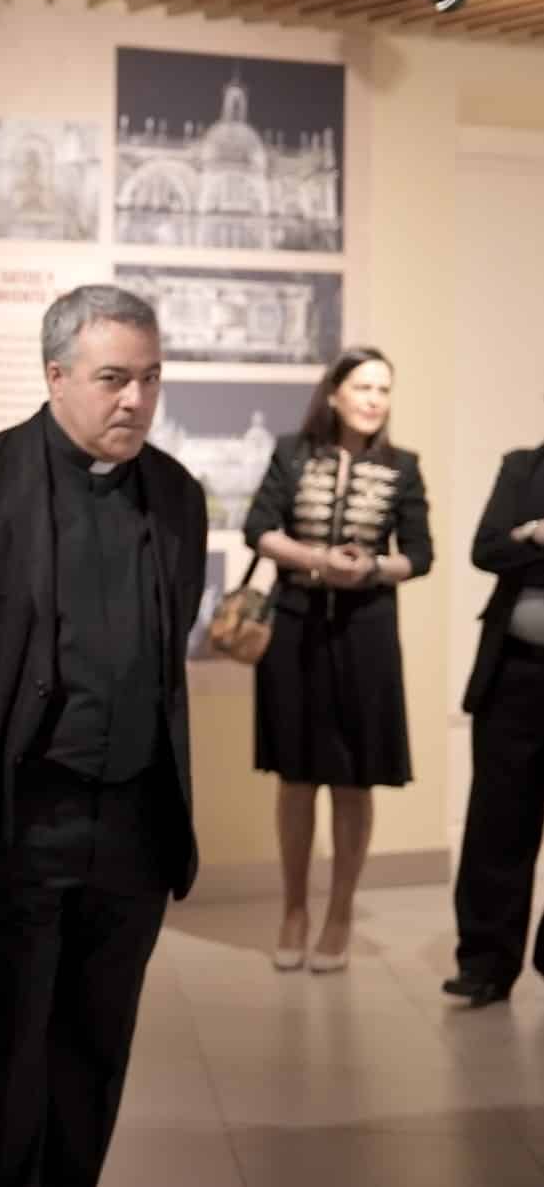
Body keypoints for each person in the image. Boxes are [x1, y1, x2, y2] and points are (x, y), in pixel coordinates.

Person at [0, 285, 207, 1187]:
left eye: (148, 378)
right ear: (55, 375)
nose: (133, 399)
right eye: (111, 378)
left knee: (97, 1042)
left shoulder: (176, 495)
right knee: (5, 1043)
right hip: (22, 813)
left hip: (134, 816)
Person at [241, 347, 431, 973]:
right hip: (295, 628)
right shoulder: (293, 452)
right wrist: (316, 560)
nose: (375, 399)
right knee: (296, 776)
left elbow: (420, 556)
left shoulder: (404, 467)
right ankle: (294, 908)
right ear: (335, 393)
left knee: (354, 779)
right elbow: (258, 529)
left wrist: (373, 567)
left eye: (384, 388)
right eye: (364, 386)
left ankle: (341, 913)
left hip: (366, 631)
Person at [446, 441, 544, 1006]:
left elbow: (508, 548)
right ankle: (485, 963)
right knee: (497, 823)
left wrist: (528, 536)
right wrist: (530, 538)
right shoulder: (521, 466)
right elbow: (485, 549)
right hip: (511, 677)